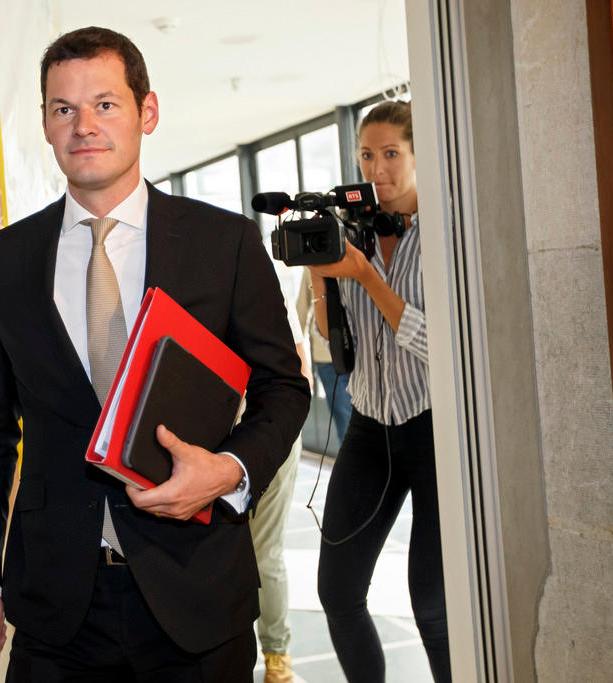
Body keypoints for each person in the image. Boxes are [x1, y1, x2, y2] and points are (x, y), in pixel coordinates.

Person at [0, 26, 310, 682]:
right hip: (56, 608)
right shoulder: (3, 261)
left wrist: (230, 470)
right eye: (64, 108)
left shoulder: (223, 243)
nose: (83, 125)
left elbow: (284, 388)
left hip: (197, 593)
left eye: (105, 104)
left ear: (147, 112)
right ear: (44, 122)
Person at [309, 100, 451, 682]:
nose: (377, 169)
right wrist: (321, 274)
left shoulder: (443, 233)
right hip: (370, 423)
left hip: (436, 427)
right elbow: (330, 339)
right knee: (337, 591)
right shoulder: (351, 233)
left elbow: (443, 347)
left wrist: (368, 275)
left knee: (436, 607)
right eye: (367, 155)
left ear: (419, 156)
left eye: (392, 153)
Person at [250, 260, 312, 683]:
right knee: (262, 554)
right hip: (260, 438)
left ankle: (276, 660)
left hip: (267, 442)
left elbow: (301, 368)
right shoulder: (263, 282)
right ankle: (275, 662)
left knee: (262, 554)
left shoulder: (260, 286)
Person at [297, 267, 352, 443]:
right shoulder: (312, 266)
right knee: (344, 418)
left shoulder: (356, 260)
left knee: (365, 417)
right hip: (327, 358)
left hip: (359, 354)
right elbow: (301, 312)